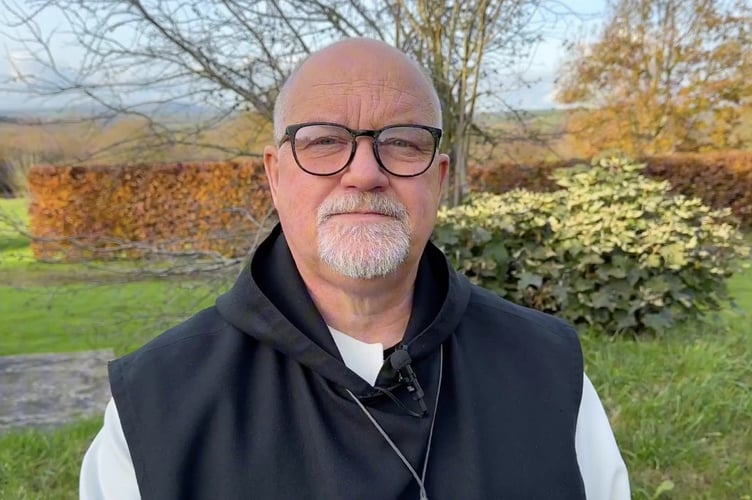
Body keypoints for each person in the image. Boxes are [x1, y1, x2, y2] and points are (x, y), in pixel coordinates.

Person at [80, 38, 630, 500]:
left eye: (402, 143)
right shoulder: (154, 407)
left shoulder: (548, 370)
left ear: (438, 179)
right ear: (275, 176)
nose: (364, 173)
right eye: (323, 142)